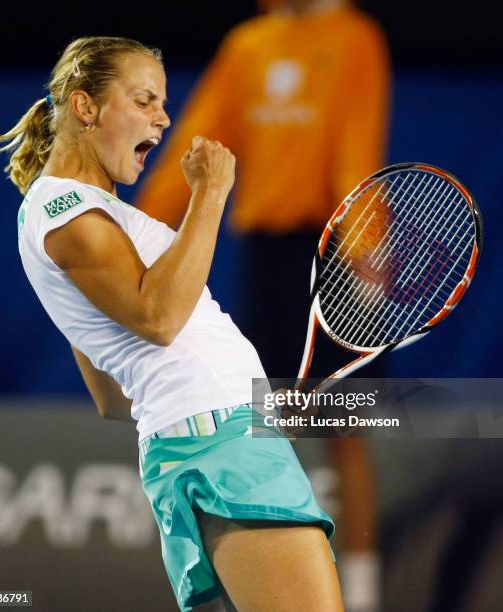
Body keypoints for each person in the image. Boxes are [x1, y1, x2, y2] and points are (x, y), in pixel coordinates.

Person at [0, 37, 343, 612]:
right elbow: (158, 317)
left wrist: (245, 412)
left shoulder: (72, 213)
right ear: (85, 107)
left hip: (210, 436)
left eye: (163, 102)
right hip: (220, 448)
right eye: (145, 99)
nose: (164, 117)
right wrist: (211, 192)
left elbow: (111, 396)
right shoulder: (67, 212)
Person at [134, 2, 390, 610]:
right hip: (267, 261)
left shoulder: (355, 37)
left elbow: (359, 141)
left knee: (341, 430)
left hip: (333, 247)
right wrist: (135, 230)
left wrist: (364, 247)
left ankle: (362, 594)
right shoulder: (248, 44)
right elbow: (203, 136)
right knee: (266, 428)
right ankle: (266, 583)